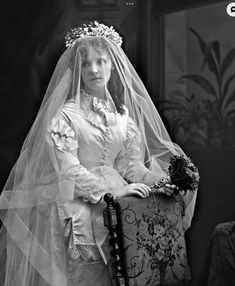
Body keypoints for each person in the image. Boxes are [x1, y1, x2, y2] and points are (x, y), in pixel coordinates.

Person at [0, 21, 197, 286]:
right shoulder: (65, 117)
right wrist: (115, 192)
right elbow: (69, 171)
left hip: (121, 204)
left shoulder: (123, 117)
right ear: (75, 69)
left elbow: (132, 167)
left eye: (101, 61)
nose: (94, 69)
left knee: (126, 272)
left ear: (112, 65)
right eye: (85, 64)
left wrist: (163, 184)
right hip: (79, 204)